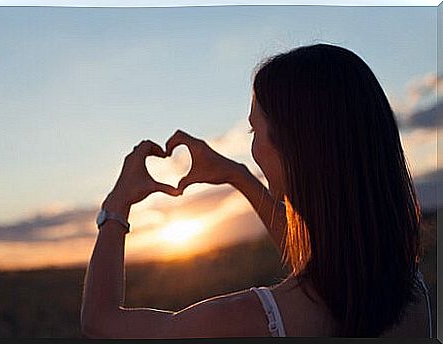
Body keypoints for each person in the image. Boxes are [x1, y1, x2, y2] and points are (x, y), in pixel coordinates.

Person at [80, 43, 432, 338]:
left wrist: (116, 206)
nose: (253, 148)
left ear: (295, 149)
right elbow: (323, 261)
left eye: (254, 132)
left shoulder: (254, 320)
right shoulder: (408, 291)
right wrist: (238, 176)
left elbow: (101, 320)